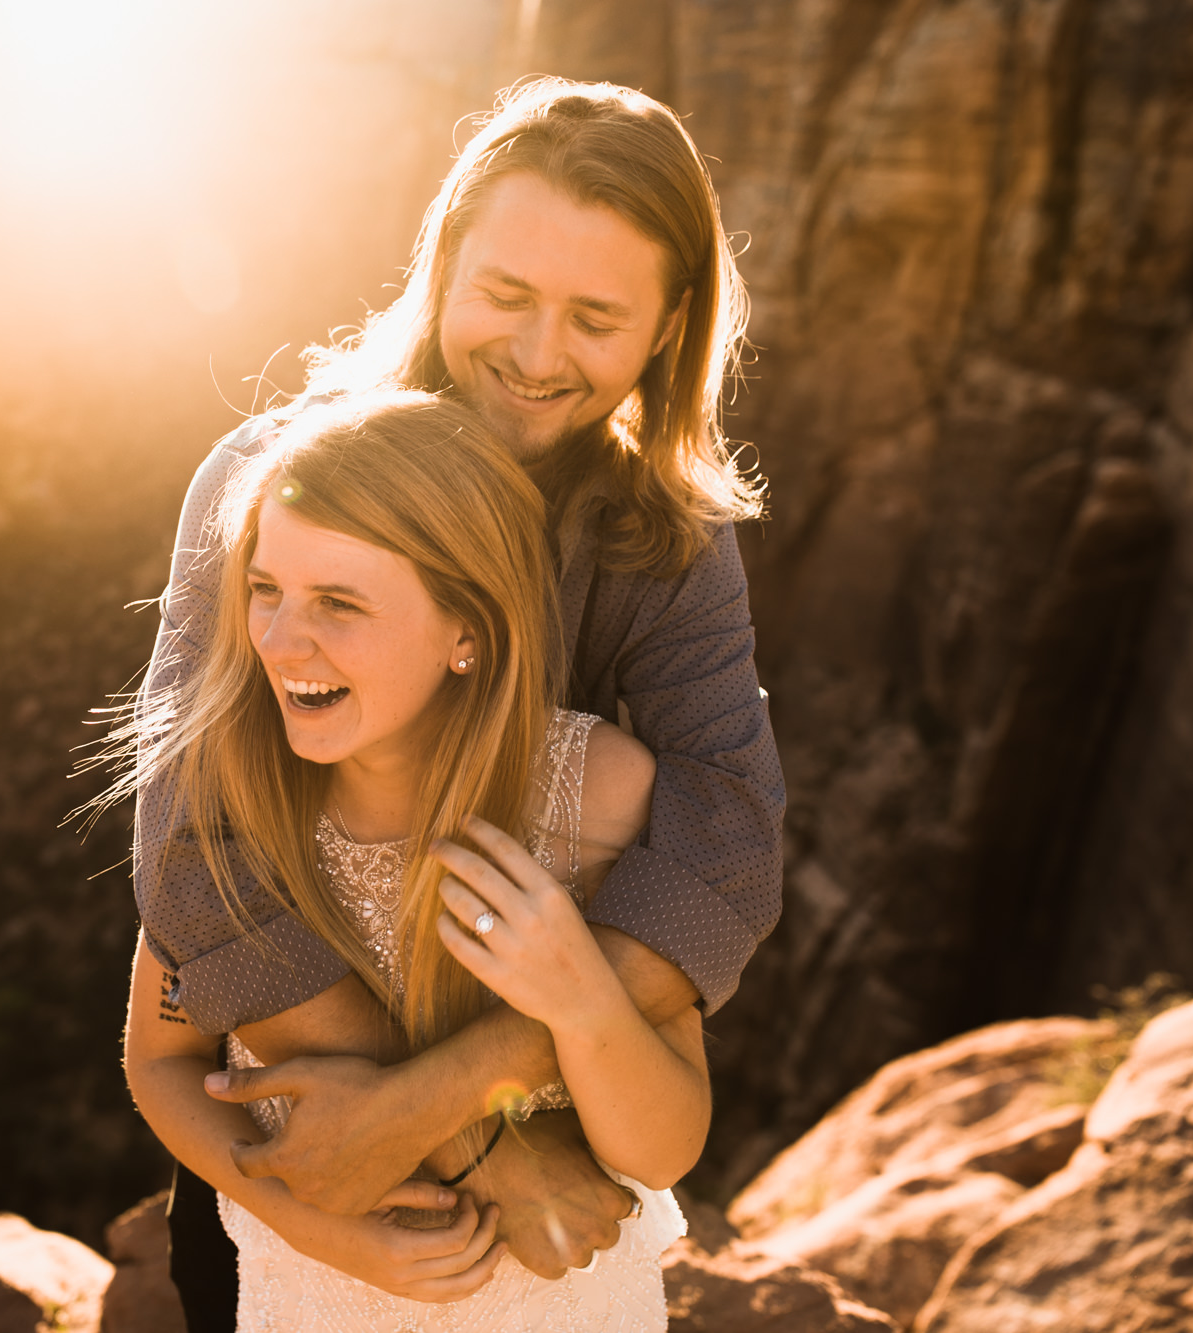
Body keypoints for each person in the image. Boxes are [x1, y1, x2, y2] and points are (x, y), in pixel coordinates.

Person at [135, 77, 785, 1327]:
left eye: (595, 316)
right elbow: (195, 840)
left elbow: (722, 840)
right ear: (440, 265)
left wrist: (456, 1096)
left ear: (666, 327)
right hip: (305, 1136)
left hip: (557, 1160)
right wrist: (449, 1143)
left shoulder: (668, 543)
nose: (538, 357)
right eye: (503, 295)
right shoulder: (273, 480)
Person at [121, 389, 708, 1328]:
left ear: (466, 631)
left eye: (339, 603)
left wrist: (580, 998)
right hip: (317, 1296)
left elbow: (666, 1145)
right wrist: (311, 1222)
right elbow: (163, 1058)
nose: (276, 640)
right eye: (264, 589)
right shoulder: (235, 804)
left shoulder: (593, 795)